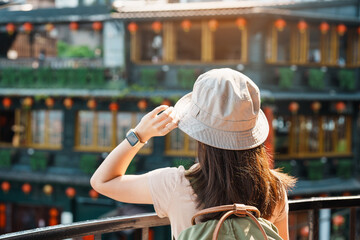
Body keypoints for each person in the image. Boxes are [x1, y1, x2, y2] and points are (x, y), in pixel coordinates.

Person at [90, 68, 296, 240]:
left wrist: (139, 134)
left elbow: (102, 182)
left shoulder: (175, 184)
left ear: (201, 136)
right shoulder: (274, 188)